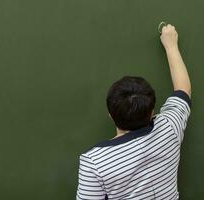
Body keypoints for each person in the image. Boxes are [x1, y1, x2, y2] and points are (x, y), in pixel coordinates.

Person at [76, 24, 192, 200]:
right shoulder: (169, 127)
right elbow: (183, 90)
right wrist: (171, 45)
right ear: (152, 112)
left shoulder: (94, 163)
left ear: (111, 116)